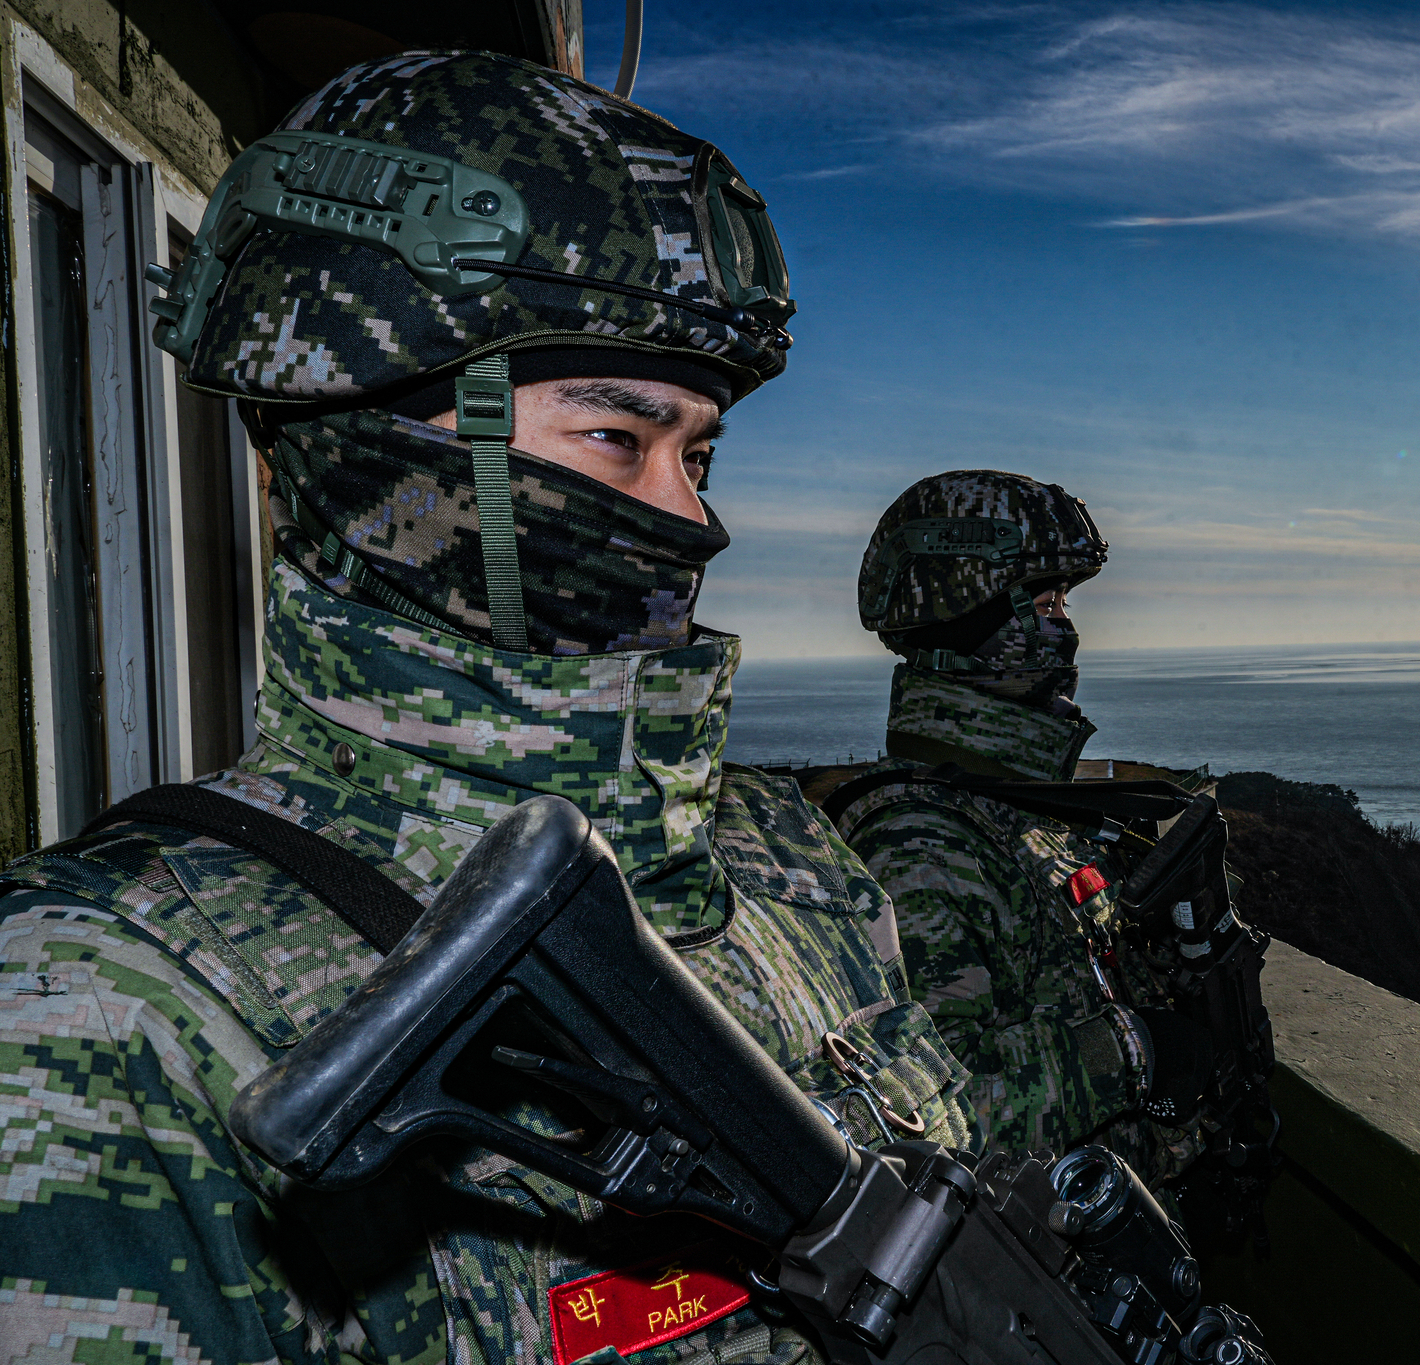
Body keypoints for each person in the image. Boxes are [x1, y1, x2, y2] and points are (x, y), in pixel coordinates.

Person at [0, 52, 973, 1365]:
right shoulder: (107, 1004)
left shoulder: (795, 870)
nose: (690, 519)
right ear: (381, 454)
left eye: (701, 452)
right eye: (614, 439)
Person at [823, 471, 1212, 1186]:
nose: (1063, 628)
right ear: (967, 615)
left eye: (1062, 602)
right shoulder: (917, 845)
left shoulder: (1007, 808)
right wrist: (1130, 1050)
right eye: (1044, 602)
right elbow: (927, 1116)